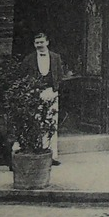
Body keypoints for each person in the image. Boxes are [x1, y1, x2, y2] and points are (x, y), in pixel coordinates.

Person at [24, 32, 66, 164]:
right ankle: (38, 152)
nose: (39, 45)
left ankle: (52, 155)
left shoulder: (55, 57)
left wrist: (55, 88)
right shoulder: (29, 59)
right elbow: (23, 76)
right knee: (37, 121)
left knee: (52, 122)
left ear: (47, 42)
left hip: (51, 92)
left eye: (41, 42)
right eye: (37, 43)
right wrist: (31, 89)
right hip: (35, 93)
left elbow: (60, 75)